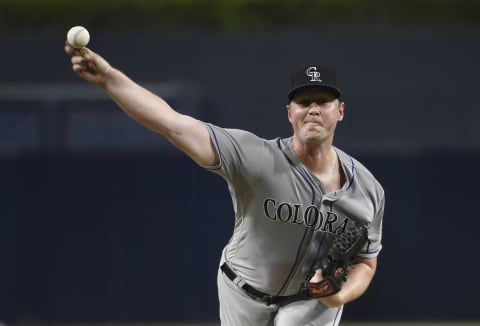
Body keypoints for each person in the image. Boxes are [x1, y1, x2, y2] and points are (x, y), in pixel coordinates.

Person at [65, 42, 384, 326]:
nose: (313, 108)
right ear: (290, 113)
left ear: (339, 111)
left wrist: (338, 297)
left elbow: (365, 262)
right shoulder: (256, 158)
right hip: (242, 291)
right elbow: (172, 124)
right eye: (304, 101)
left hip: (309, 300)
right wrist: (109, 78)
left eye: (323, 100)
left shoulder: (367, 191)